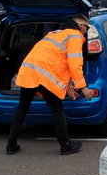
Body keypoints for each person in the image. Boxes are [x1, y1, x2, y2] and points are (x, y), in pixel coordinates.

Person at [6, 15, 92, 156]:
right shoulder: (74, 36)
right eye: (87, 28)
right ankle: (65, 145)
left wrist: (68, 87)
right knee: (57, 108)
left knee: (22, 108)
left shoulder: (55, 33)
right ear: (81, 26)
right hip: (43, 76)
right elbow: (74, 63)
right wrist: (82, 87)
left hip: (29, 71)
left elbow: (57, 61)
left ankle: (11, 145)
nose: (87, 31)